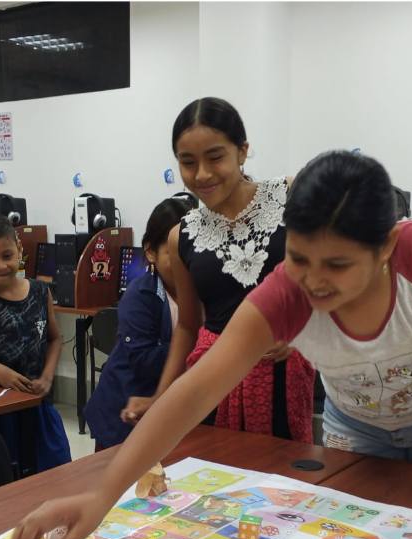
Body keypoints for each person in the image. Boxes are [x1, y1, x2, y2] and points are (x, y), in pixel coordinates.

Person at [9, 149, 412, 539]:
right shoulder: (287, 291)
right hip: (357, 427)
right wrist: (102, 495)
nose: (314, 281)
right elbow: (194, 391)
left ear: (387, 244)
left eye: (338, 264)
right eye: (300, 258)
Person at [122, 97, 315, 443]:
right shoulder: (182, 235)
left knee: (281, 471)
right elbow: (188, 326)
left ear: (242, 151)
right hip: (213, 377)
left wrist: (305, 332)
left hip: (280, 374)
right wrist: (160, 397)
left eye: (215, 157)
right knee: (214, 467)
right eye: (188, 162)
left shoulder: (292, 197)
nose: (202, 174)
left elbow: (336, 278)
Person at [0, 212, 71, 472]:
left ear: (19, 249)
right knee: (6, 475)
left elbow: (54, 338)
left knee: (55, 472)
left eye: (7, 256)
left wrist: (48, 377)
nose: (0, 266)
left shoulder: (41, 291)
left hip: (37, 403)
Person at [84, 197, 192, 450]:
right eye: (175, 253)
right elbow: (145, 359)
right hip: (126, 411)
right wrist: (200, 350)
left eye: (192, 252)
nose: (185, 262)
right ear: (151, 252)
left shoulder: (201, 290)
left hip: (170, 410)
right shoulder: (140, 295)